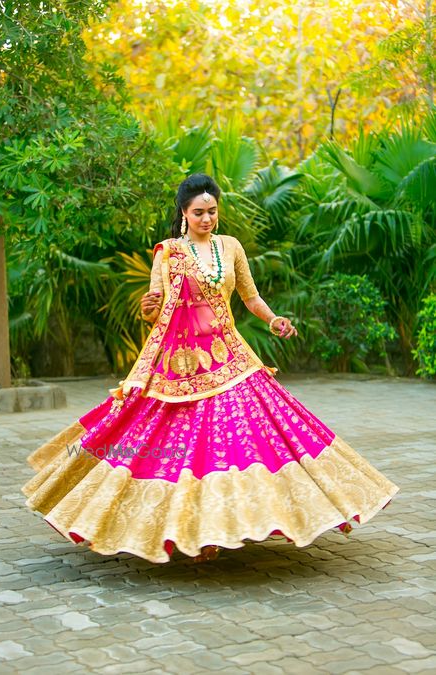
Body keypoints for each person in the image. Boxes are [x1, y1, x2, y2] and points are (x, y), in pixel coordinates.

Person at [22, 173, 399, 564]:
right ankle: (194, 531)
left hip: (231, 360)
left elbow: (251, 298)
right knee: (187, 450)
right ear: (184, 213)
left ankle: (237, 522)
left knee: (246, 441)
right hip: (180, 368)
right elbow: (156, 311)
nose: (207, 219)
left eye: (212, 212)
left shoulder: (230, 247)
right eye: (199, 212)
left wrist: (273, 321)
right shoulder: (168, 253)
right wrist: (147, 310)